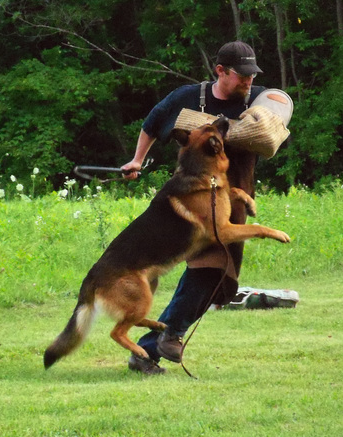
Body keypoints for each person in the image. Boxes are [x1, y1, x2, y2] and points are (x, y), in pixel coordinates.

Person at [121, 41, 279, 375]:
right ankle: (162, 340)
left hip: (234, 201)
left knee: (218, 279)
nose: (249, 81)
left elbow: (281, 111)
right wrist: (137, 159)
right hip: (195, 199)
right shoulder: (188, 97)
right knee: (207, 272)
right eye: (241, 75)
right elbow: (153, 123)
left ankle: (152, 346)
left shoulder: (257, 98)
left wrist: (270, 114)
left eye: (252, 74)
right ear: (220, 70)